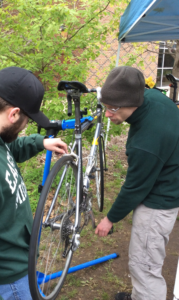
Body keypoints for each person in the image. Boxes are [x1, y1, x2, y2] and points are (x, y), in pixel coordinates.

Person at [0, 66, 68, 300]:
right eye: (27, 119)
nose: (26, 125)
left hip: (18, 265)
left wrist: (39, 143)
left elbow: (4, 149)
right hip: (7, 284)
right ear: (14, 113)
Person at [95, 66, 179, 300]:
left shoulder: (146, 143)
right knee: (145, 258)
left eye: (113, 109)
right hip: (170, 176)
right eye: (106, 106)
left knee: (145, 264)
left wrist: (109, 219)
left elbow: (135, 187)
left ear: (132, 103)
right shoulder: (152, 97)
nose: (108, 114)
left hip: (159, 201)